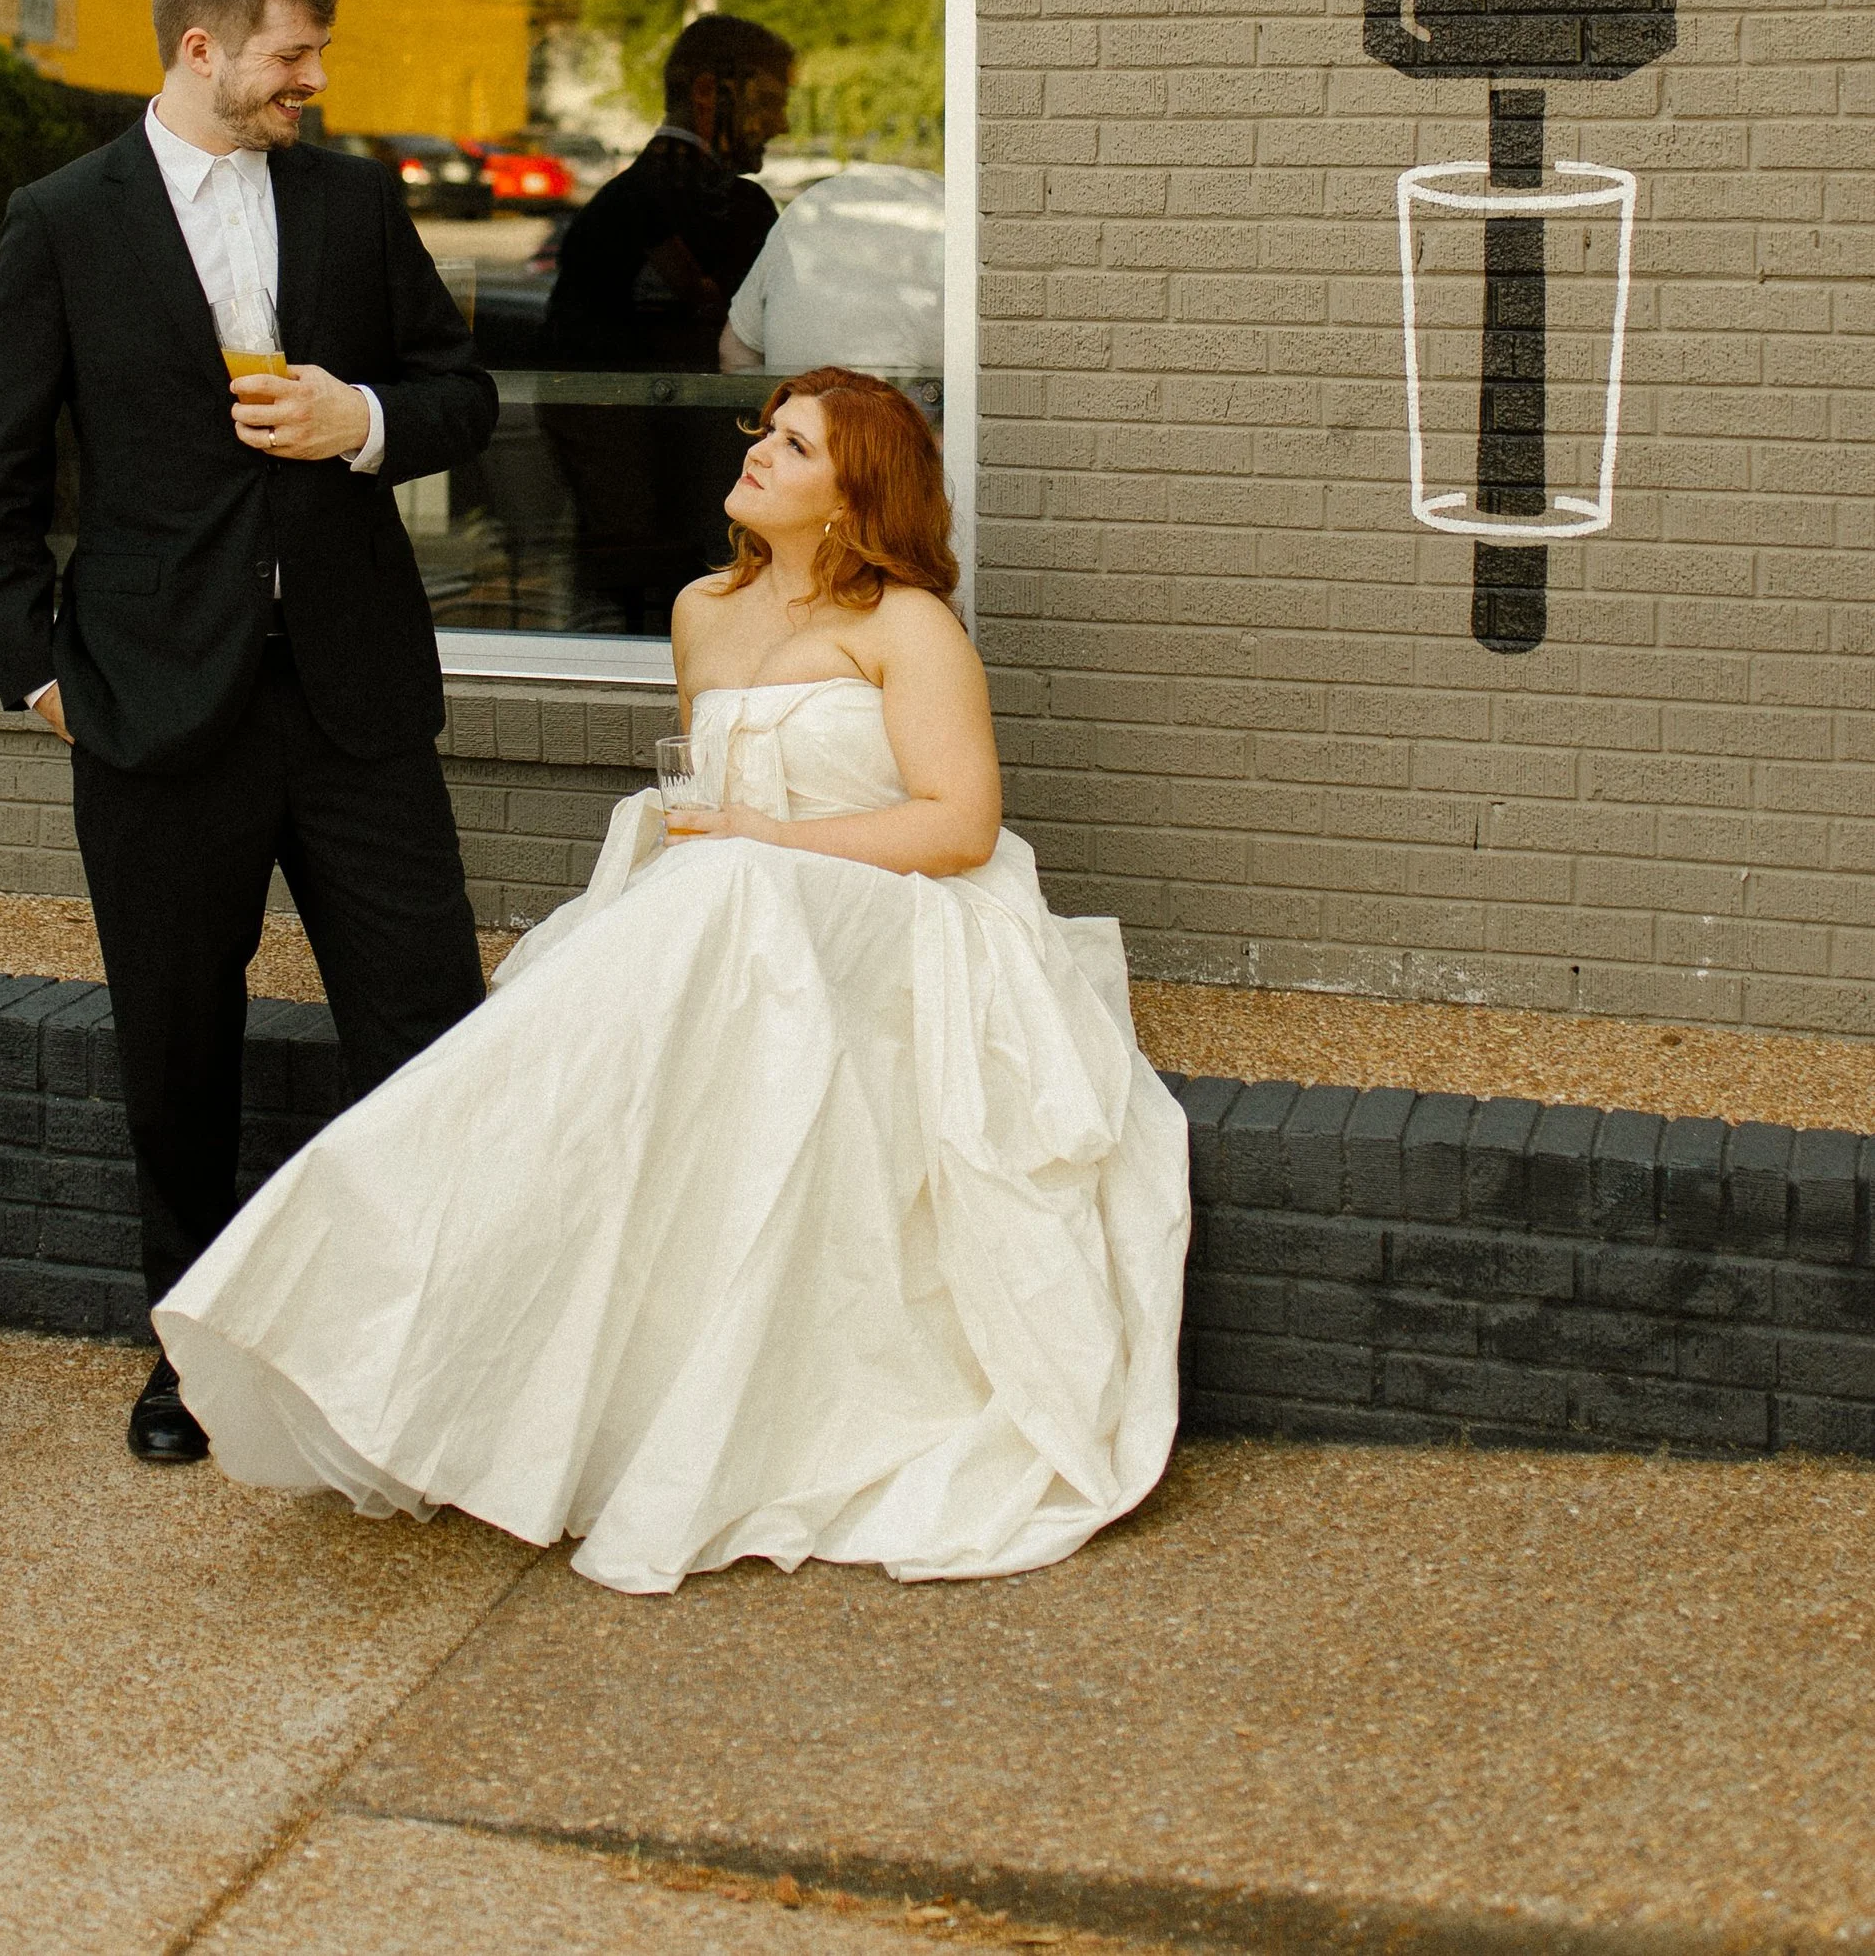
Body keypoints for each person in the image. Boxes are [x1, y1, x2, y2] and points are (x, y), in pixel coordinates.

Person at [155, 370, 1189, 1593]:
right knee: (616, 1003)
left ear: (853, 495)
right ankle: (375, 1281)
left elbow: (959, 827)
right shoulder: (706, 607)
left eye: (792, 445)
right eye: (764, 427)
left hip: (897, 913)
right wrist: (720, 841)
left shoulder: (905, 624)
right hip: (739, 914)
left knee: (724, 898)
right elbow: (702, 793)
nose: (755, 450)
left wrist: (764, 844)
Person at [0, 0, 499, 1467]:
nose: (313, 81)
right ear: (201, 49)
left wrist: (364, 414)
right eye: (290, 55)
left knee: (427, 1028)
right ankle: (184, 1352)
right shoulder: (64, 219)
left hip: (353, 698)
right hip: (149, 707)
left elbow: (463, 391)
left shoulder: (350, 198)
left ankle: (423, 1347)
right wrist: (39, 677)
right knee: (177, 1046)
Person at [540, 16, 795, 629]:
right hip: (683, 521)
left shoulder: (621, 205)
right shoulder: (721, 208)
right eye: (768, 102)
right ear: (709, 93)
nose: (783, 124)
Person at [720, 160, 946, 383]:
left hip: (804, 413)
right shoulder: (950, 218)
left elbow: (735, 351)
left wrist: (771, 410)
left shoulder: (805, 211)